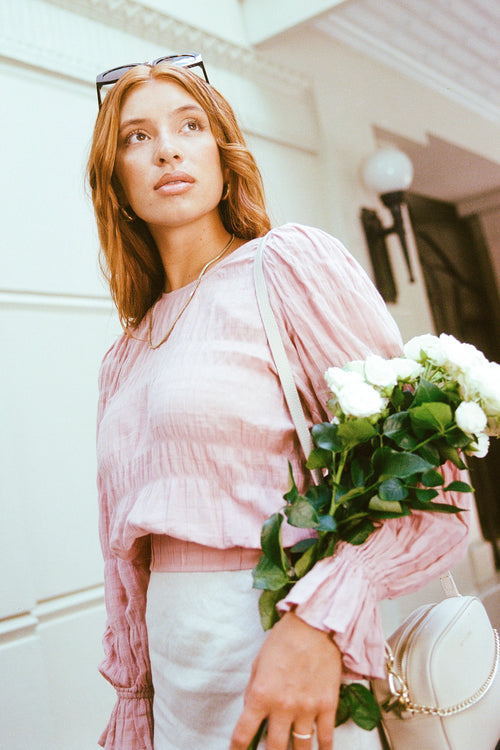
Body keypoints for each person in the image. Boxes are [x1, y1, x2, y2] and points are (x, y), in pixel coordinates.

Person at [88, 55, 472, 750]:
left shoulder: (287, 267)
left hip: (288, 655)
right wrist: (136, 713)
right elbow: (125, 567)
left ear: (223, 152)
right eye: (136, 136)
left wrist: (317, 623)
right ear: (112, 175)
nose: (167, 147)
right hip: (177, 686)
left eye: (190, 124)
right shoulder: (122, 357)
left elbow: (431, 474)